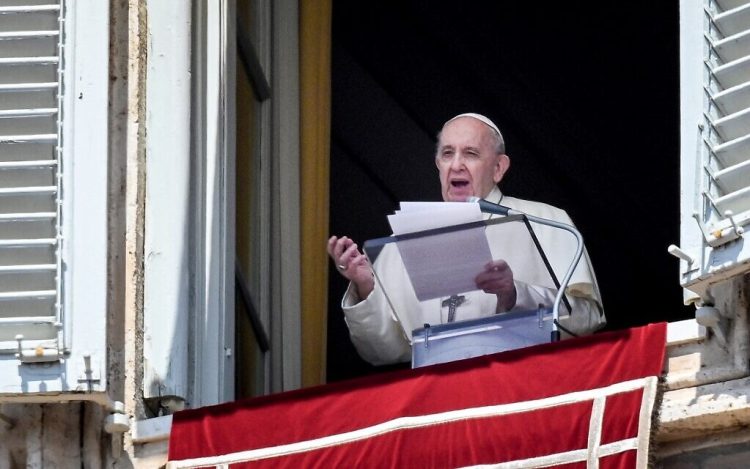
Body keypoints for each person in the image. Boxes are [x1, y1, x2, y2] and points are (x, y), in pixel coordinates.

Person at [328, 113, 606, 365]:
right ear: (438, 165)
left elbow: (586, 321)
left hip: (522, 389)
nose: (457, 164)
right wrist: (366, 286)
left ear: (498, 167)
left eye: (471, 153)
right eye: (448, 154)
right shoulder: (403, 238)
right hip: (438, 399)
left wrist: (514, 295)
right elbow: (382, 352)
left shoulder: (546, 220)